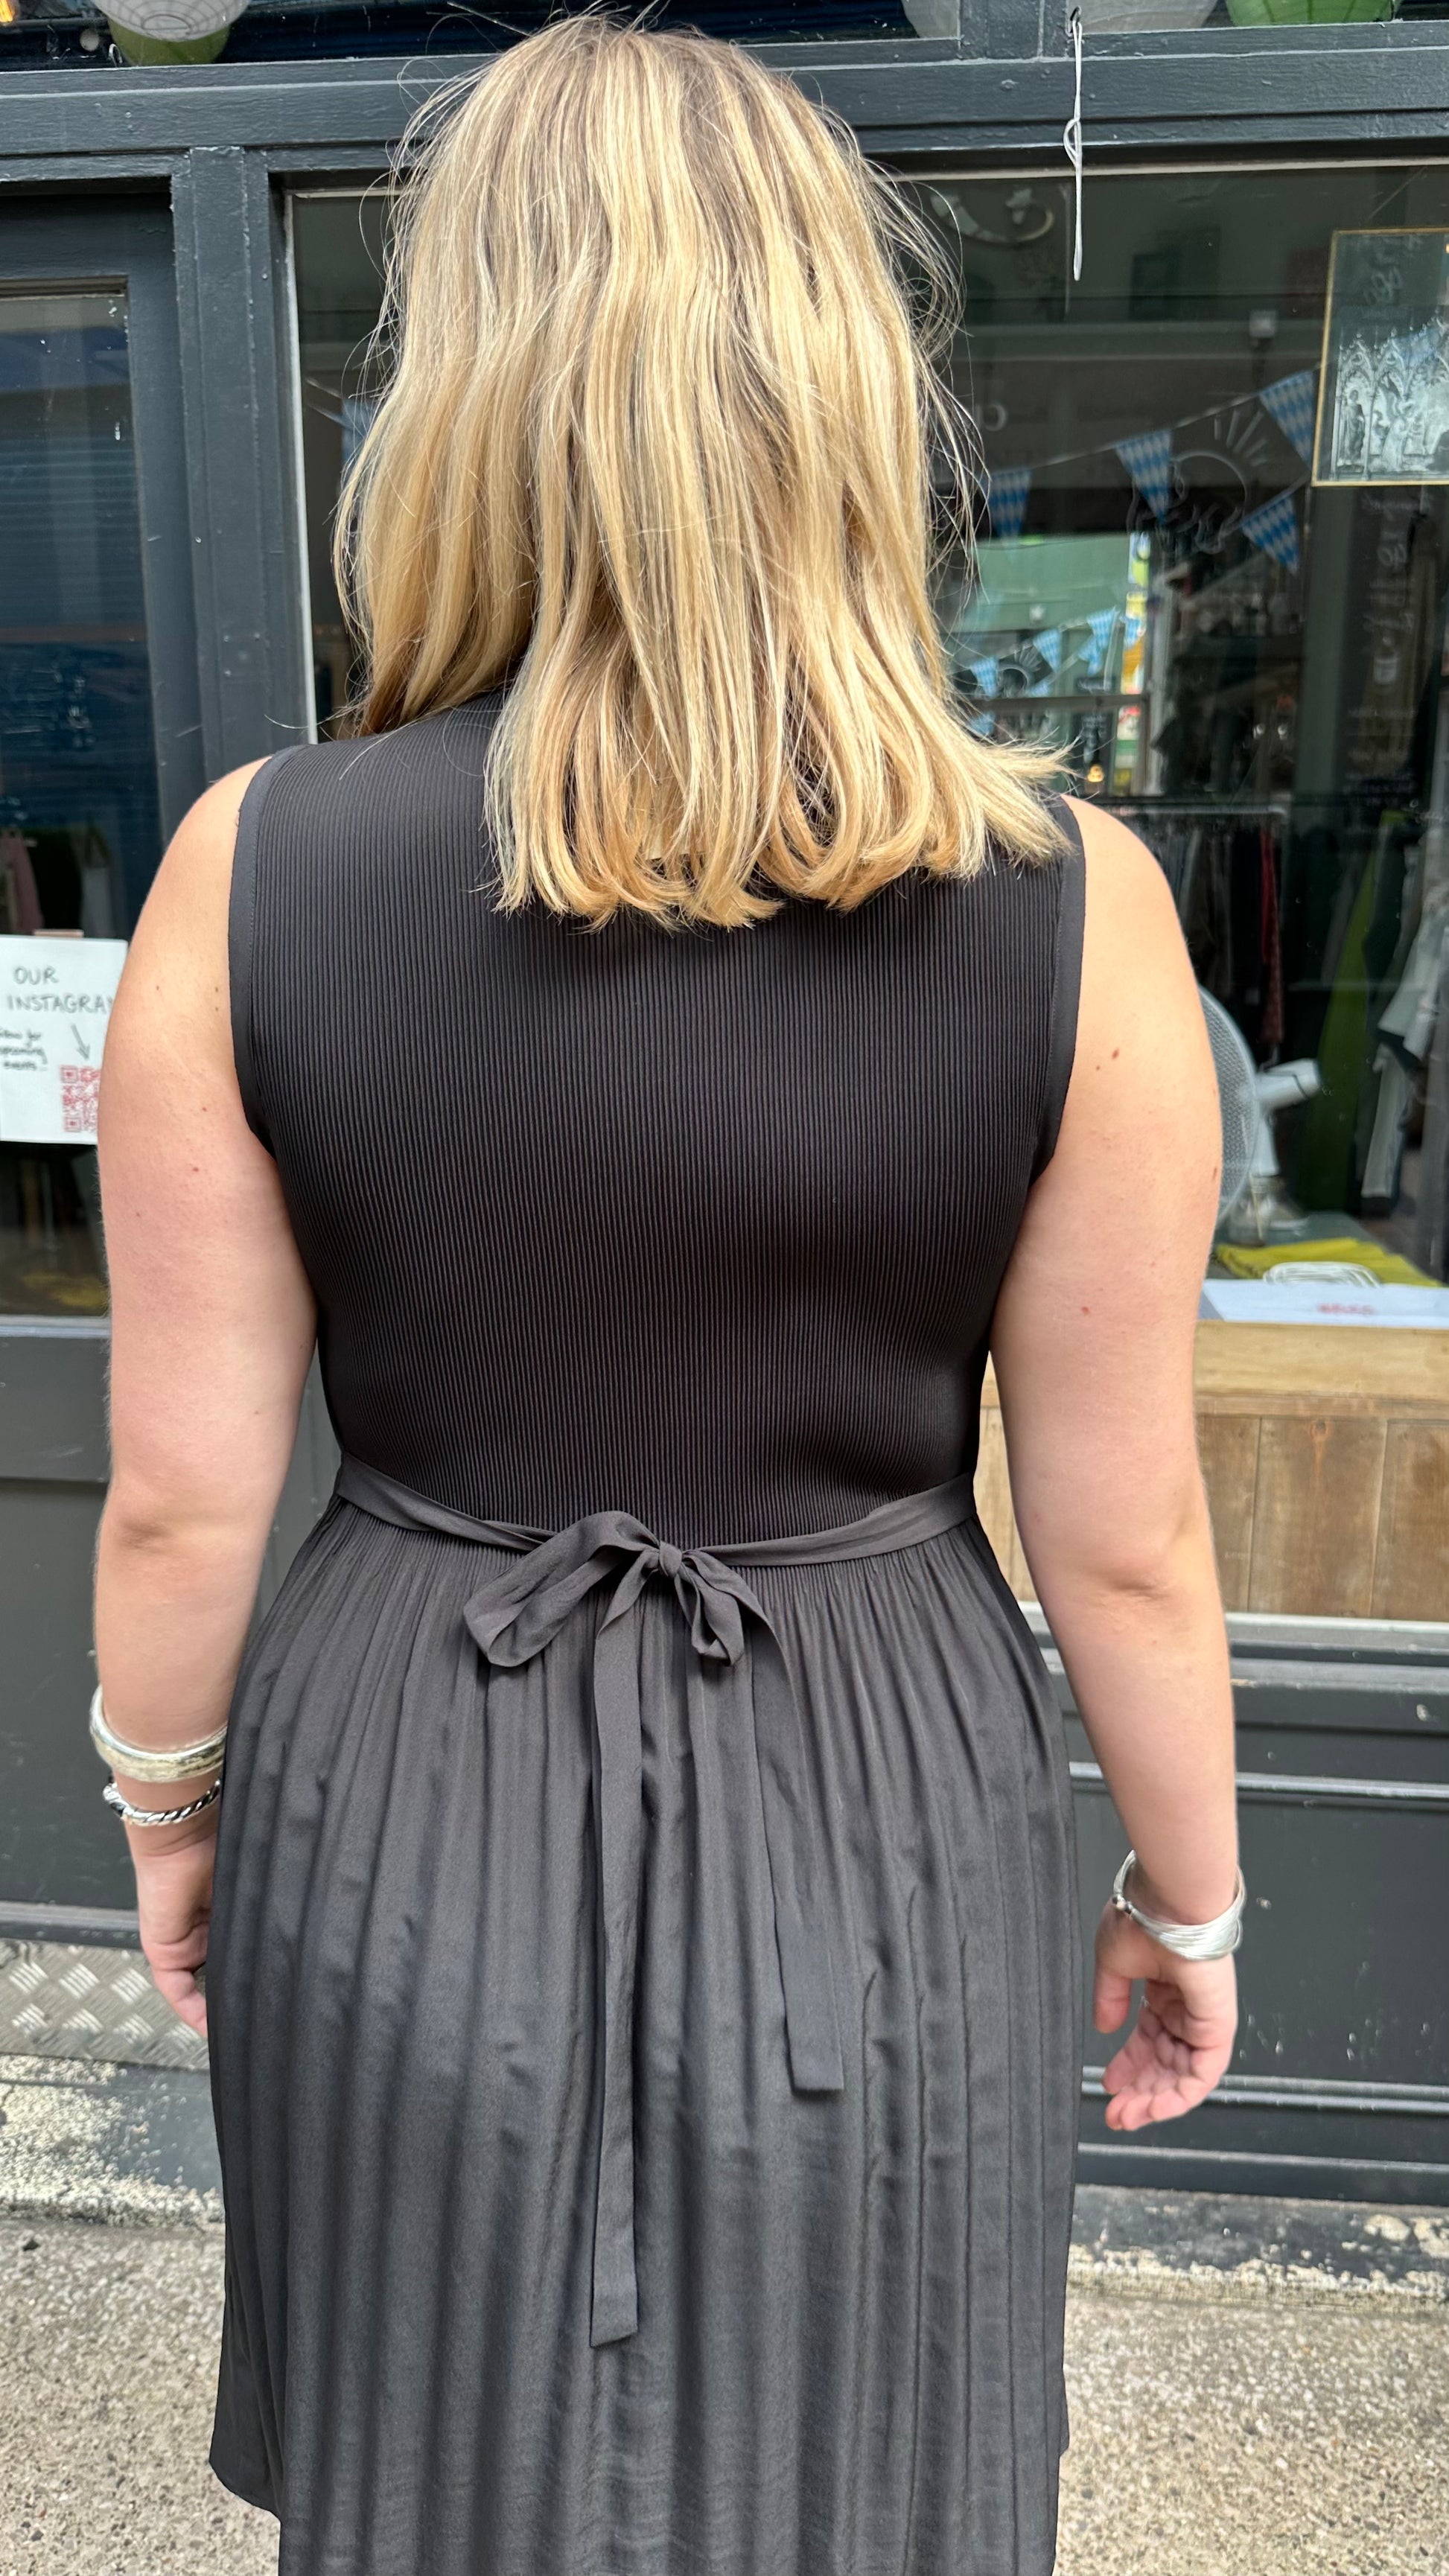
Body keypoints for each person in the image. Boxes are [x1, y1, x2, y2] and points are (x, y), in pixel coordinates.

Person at [92, 20, 1240, 2575]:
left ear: (459, 399)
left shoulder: (247, 869)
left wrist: (165, 1805)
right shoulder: (1081, 910)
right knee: (867, 2465)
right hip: (881, 1783)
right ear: (835, 388)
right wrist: (1190, 1893)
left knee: (438, 2470)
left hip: (405, 1770)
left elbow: (178, 1497)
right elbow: (1125, 1530)